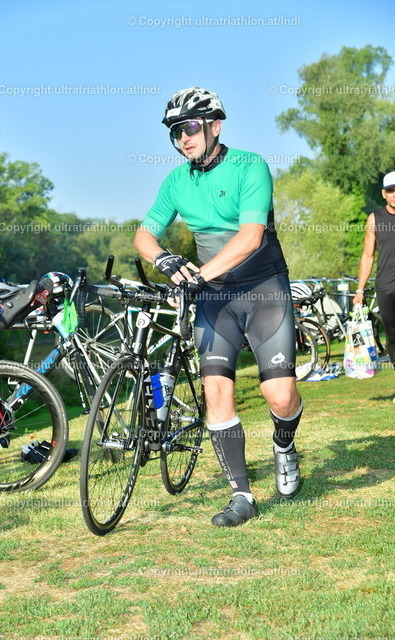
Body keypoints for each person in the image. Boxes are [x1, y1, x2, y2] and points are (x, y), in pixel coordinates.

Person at [134, 87, 303, 527]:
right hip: (214, 299)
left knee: (280, 396)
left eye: (190, 127)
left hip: (263, 289)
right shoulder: (176, 182)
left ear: (215, 126)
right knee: (216, 391)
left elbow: (250, 237)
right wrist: (163, 258)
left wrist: (197, 275)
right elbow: (143, 234)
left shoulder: (250, 165)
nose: (183, 138)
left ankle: (284, 445)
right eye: (175, 132)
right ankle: (241, 496)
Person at [353, 171, 395, 379]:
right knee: (393, 337)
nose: (394, 194)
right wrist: (360, 290)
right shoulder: (375, 219)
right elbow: (367, 256)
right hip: (386, 286)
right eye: (390, 190)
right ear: (383, 193)